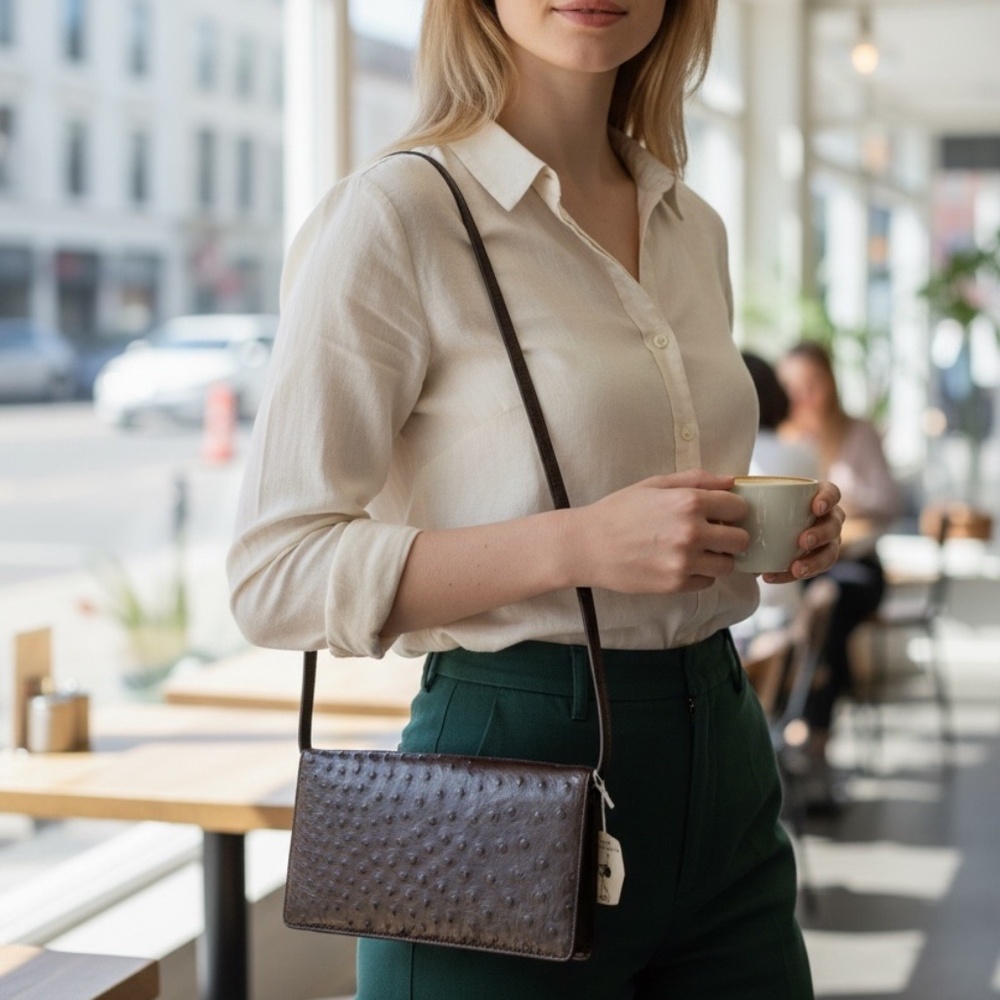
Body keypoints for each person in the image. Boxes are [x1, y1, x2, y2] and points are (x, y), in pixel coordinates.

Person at [228, 2, 845, 997]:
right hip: (504, 776)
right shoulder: (400, 212)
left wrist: (763, 533)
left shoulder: (692, 226)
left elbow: (653, 504)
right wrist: (579, 545)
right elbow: (275, 572)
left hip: (723, 757)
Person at [777, 340, 901, 803]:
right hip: (808, 573)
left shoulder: (856, 433)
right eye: (795, 386)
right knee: (818, 613)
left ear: (829, 384)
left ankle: (806, 734)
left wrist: (841, 513)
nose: (805, 395)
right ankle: (811, 741)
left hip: (857, 568)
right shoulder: (782, 442)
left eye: (813, 384)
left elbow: (889, 501)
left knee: (828, 606)